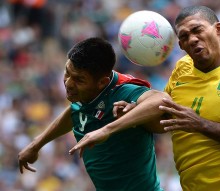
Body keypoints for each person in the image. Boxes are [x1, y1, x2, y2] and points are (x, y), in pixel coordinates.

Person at [68, 5, 220, 191]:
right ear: (180, 46)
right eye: (184, 37)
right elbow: (165, 123)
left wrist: (202, 125)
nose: (192, 39)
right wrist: (135, 112)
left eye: (197, 30)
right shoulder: (182, 68)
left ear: (218, 29)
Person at [18, 37, 172, 191]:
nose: (68, 83)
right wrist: (36, 145)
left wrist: (107, 130)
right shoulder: (84, 95)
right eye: (67, 72)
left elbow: (162, 99)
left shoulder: (123, 91)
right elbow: (74, 111)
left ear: (102, 83)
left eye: (79, 79)